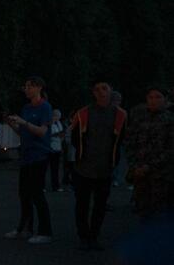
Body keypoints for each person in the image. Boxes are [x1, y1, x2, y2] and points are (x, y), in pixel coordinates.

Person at [69, 81, 126, 250]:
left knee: (100, 205)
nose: (101, 92)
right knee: (82, 203)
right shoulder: (83, 113)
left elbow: (121, 137)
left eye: (105, 88)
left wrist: (113, 159)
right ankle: (83, 235)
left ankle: (94, 236)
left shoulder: (120, 115)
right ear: (93, 93)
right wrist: (80, 155)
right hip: (83, 166)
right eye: (97, 89)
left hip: (105, 167)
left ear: (111, 91)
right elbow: (74, 136)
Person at [5, 76, 53, 243]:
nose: (26, 89)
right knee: (24, 193)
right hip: (26, 155)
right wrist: (13, 125)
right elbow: (24, 133)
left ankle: (45, 232)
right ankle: (25, 228)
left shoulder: (45, 107)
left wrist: (24, 122)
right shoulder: (26, 107)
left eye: (29, 86)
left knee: (37, 193)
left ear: (38, 88)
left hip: (39, 155)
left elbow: (42, 132)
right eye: (25, 86)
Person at [125, 85, 174, 220]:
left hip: (161, 174)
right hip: (139, 173)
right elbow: (129, 142)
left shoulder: (170, 120)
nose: (154, 100)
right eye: (151, 97)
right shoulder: (139, 118)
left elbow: (170, 149)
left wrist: (150, 166)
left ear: (165, 99)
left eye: (158, 97)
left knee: (159, 211)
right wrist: (135, 165)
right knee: (142, 210)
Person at [48, 108, 65, 192]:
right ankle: (43, 186)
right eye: (57, 116)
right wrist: (56, 135)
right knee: (49, 168)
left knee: (55, 168)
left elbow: (61, 133)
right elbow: (48, 134)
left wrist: (61, 136)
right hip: (50, 148)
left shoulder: (59, 123)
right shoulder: (49, 123)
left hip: (57, 148)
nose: (58, 118)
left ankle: (56, 185)